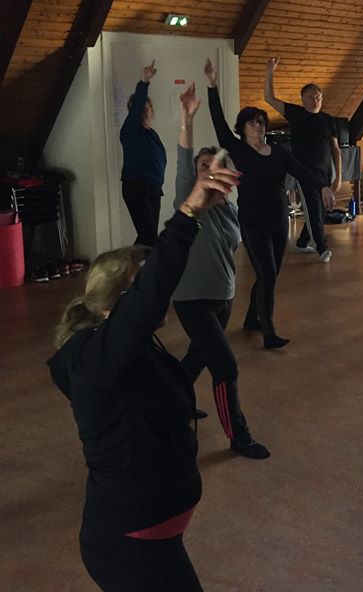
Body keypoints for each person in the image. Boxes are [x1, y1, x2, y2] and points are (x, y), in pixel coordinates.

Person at [47, 157, 240, 592]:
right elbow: (152, 291)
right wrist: (188, 213)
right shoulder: (96, 360)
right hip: (128, 544)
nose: (161, 299)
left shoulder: (127, 350)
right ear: (114, 307)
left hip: (153, 536)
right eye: (139, 291)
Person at [172, 83, 269, 459]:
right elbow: (184, 163)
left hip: (222, 296)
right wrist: (187, 120)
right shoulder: (189, 202)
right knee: (225, 366)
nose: (209, 174)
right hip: (192, 298)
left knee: (197, 358)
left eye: (215, 168)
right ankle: (239, 436)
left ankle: (171, 403)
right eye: (203, 168)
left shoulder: (229, 208)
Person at [206, 59, 328, 349]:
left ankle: (251, 319)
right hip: (252, 222)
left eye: (261, 122)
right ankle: (268, 331)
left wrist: (322, 186)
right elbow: (218, 121)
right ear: (243, 128)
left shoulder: (278, 152)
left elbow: (301, 171)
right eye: (252, 123)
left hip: (278, 221)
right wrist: (212, 86)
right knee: (267, 274)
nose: (258, 126)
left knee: (269, 275)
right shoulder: (237, 149)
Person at [263, 56, 341, 263]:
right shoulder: (295, 113)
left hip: (325, 171)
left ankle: (303, 241)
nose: (315, 100)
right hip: (304, 171)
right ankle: (321, 247)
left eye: (318, 97)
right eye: (310, 97)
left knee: (322, 209)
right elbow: (269, 98)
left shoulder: (328, 119)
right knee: (314, 208)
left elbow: (335, 149)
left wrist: (339, 176)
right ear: (303, 99)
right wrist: (270, 71)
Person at [120, 59, 166, 246]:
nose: (143, 113)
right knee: (149, 238)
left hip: (153, 189)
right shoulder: (130, 130)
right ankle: (130, 264)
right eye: (139, 110)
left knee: (147, 237)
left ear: (152, 111)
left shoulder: (152, 135)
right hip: (137, 188)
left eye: (146, 109)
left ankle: (130, 263)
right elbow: (138, 104)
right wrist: (144, 81)